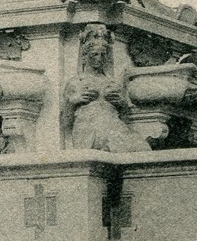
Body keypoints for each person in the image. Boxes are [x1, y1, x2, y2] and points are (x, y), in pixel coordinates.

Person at [61, 24, 149, 153]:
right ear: (85, 56)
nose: (99, 59)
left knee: (142, 147)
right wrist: (72, 102)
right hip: (90, 130)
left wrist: (122, 104)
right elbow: (65, 124)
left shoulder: (111, 83)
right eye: (94, 54)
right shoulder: (76, 82)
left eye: (103, 55)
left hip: (114, 127)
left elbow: (125, 118)